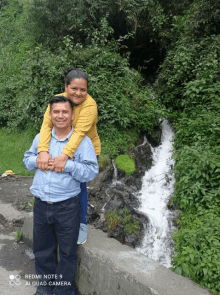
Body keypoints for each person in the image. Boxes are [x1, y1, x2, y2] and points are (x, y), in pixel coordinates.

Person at [23, 96, 99, 295]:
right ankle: (45, 289)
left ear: (72, 115)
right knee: (42, 251)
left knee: (67, 253)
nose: (60, 115)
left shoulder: (83, 142)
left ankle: (64, 292)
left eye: (65, 112)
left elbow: (91, 171)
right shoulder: (41, 139)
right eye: (56, 112)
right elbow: (27, 159)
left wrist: (69, 164)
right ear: (50, 115)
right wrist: (38, 159)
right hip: (41, 204)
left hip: (67, 207)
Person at [37, 67, 101, 244]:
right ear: (66, 87)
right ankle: (58, 223)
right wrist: (43, 151)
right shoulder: (58, 101)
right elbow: (46, 126)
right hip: (61, 146)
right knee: (59, 184)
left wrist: (64, 157)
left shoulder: (90, 106)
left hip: (85, 150)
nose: (78, 93)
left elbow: (79, 133)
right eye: (74, 88)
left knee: (79, 187)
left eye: (83, 90)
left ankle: (81, 224)